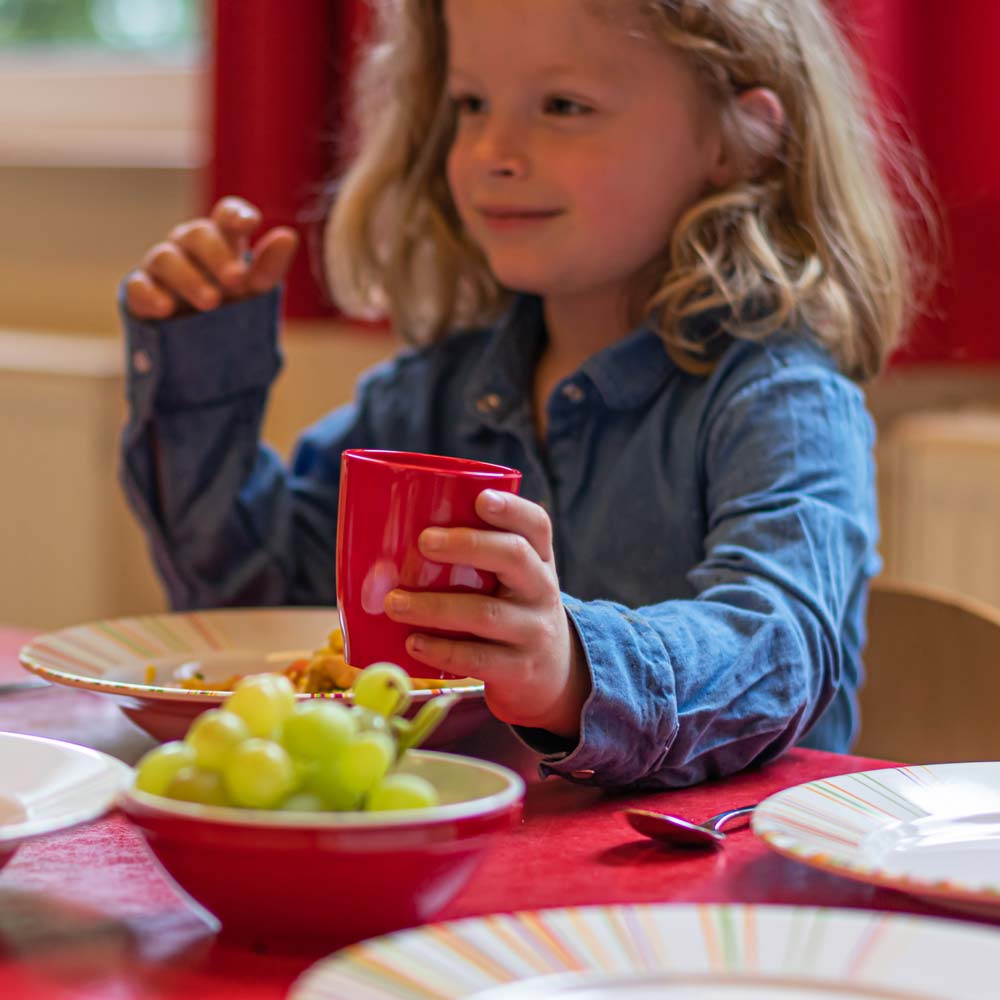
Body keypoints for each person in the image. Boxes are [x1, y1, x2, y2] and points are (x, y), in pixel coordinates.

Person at [119, 0, 930, 788]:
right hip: (477, 887)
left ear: (739, 138)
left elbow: (782, 647)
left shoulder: (781, 398)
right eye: (471, 103)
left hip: (712, 901)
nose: (493, 151)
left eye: (563, 105)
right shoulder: (428, 395)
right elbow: (252, 599)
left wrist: (575, 667)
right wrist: (202, 378)